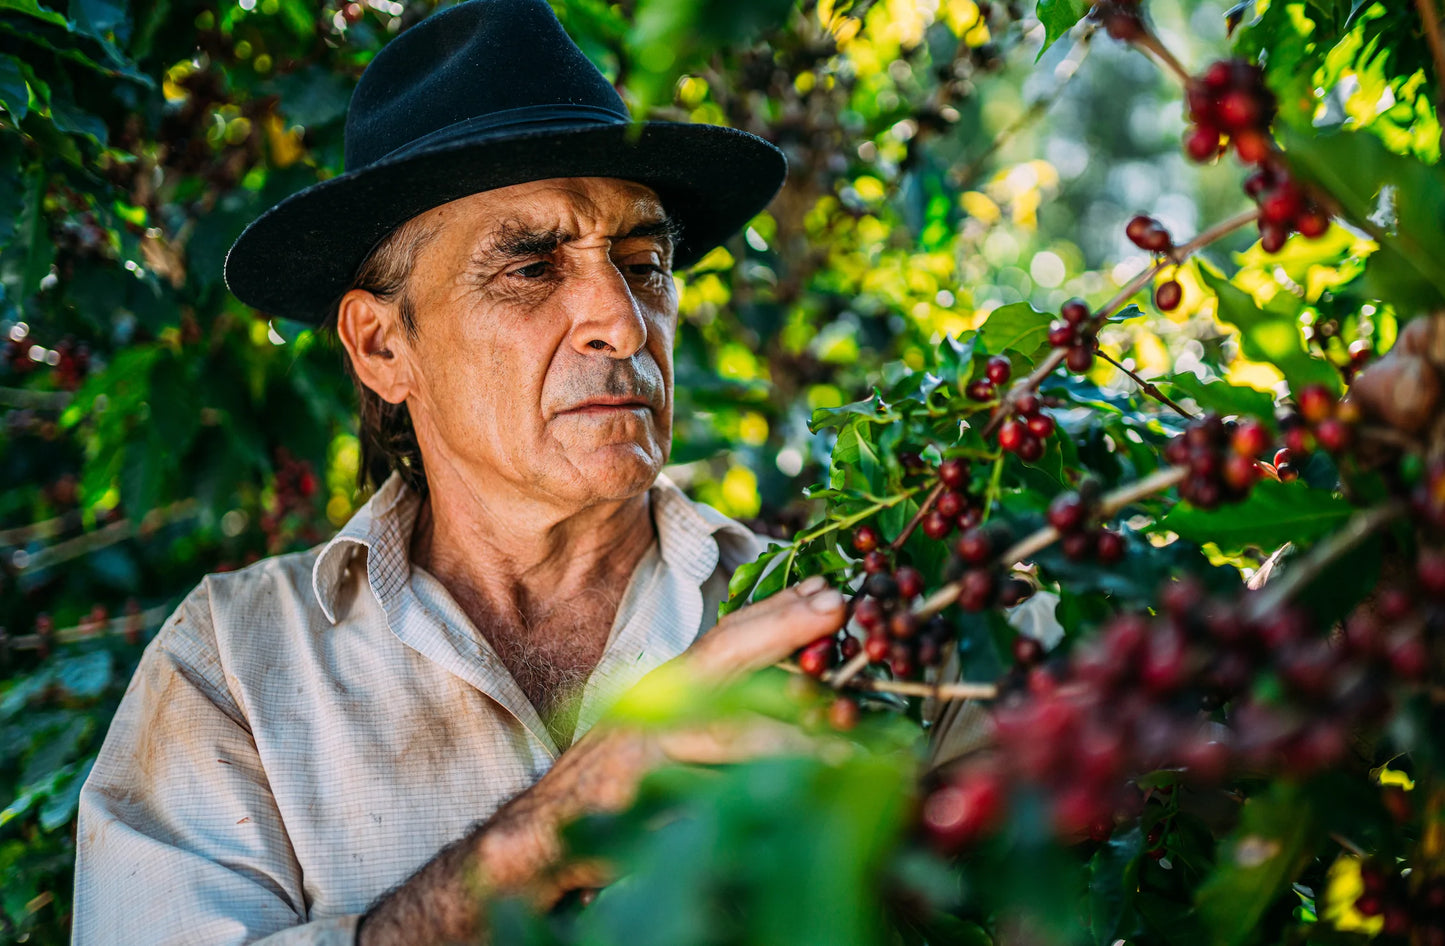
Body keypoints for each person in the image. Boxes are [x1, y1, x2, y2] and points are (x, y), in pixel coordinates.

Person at [71, 1, 848, 942]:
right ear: (382, 344)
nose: (623, 321)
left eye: (644, 262)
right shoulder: (233, 670)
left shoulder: (816, 615)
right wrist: (536, 840)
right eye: (530, 267)